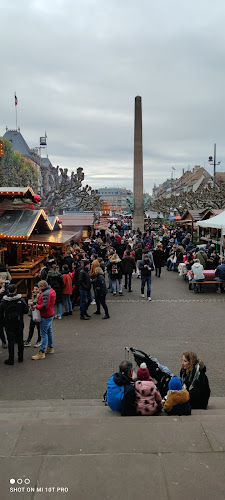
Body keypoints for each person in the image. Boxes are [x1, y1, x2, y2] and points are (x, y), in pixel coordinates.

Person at [0, 284, 28, 365]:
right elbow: (26, 310)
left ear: (8, 290)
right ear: (16, 290)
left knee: (10, 340)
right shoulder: (21, 300)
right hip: (19, 321)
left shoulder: (4, 301)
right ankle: (20, 357)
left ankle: (11, 358)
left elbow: (0, 312)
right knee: (20, 339)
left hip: (9, 322)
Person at [31, 280, 56, 360]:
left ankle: (42, 352)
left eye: (39, 287)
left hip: (45, 315)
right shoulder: (51, 291)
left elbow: (44, 306)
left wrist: (36, 306)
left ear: (42, 286)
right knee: (49, 331)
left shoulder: (45, 294)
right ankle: (50, 347)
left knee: (43, 334)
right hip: (50, 314)